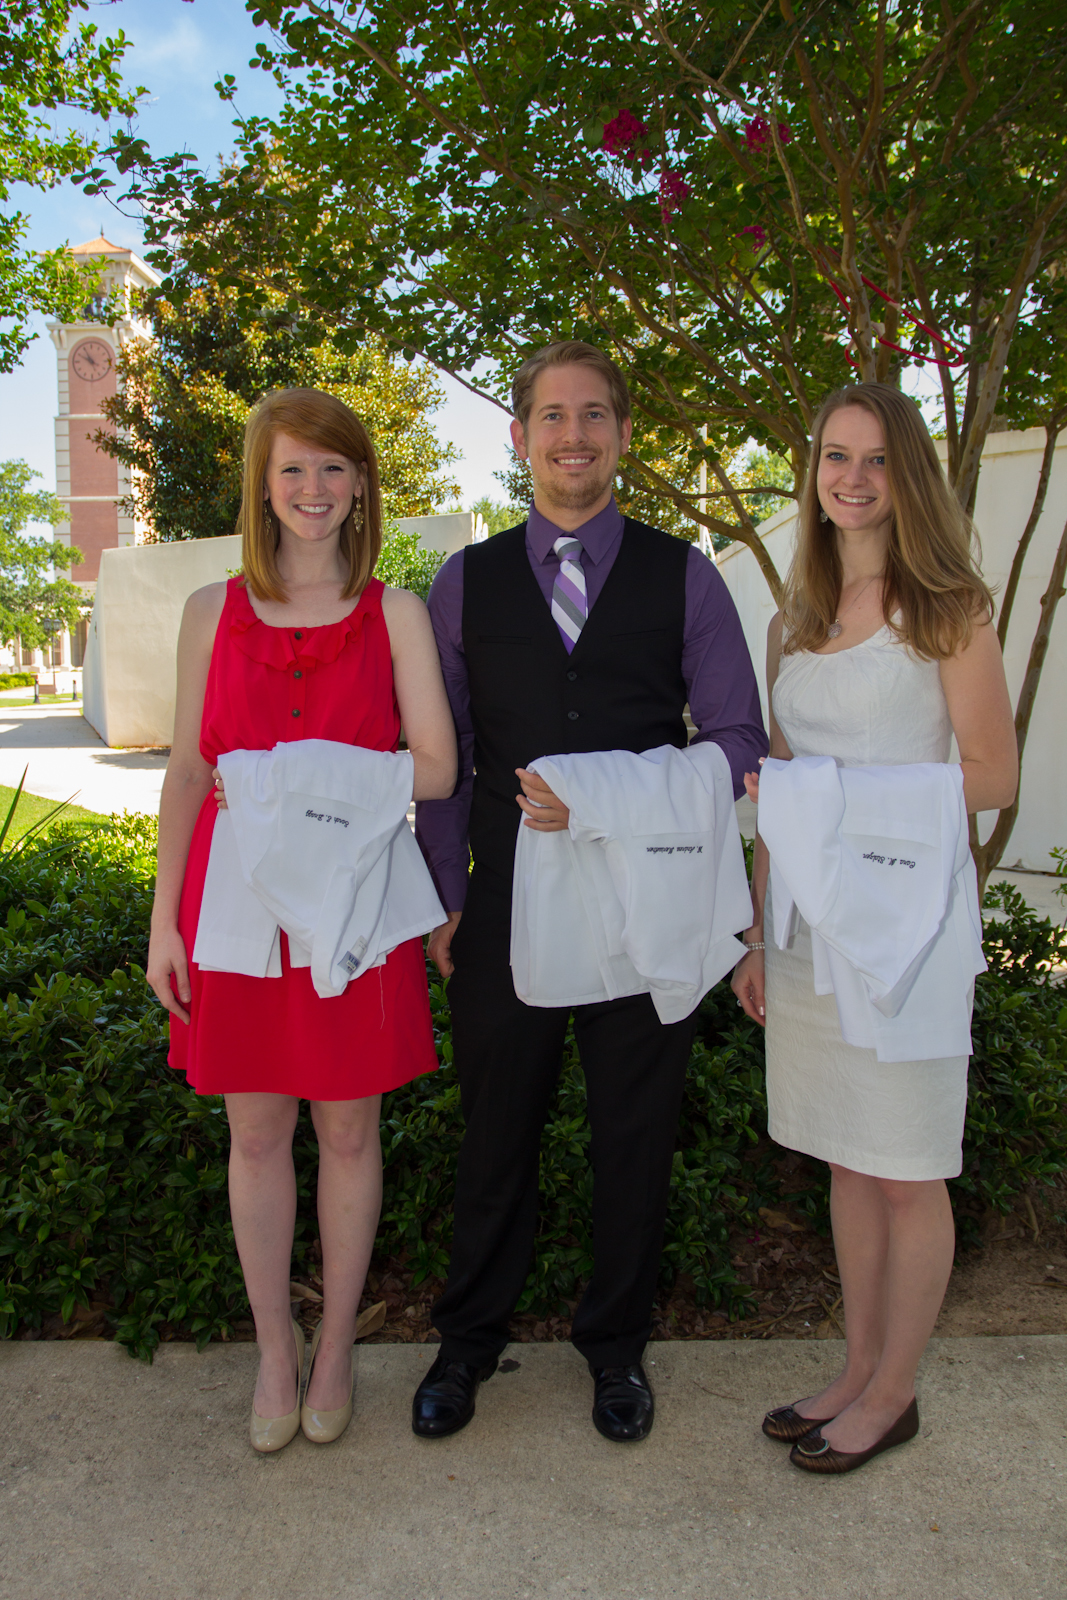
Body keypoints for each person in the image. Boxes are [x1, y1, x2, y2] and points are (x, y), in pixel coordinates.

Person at [413, 340, 767, 1443]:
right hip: (505, 900)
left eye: (594, 415)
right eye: (551, 416)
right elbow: (447, 753)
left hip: (641, 900)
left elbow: (738, 740)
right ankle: (467, 1341)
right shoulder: (462, 582)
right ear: (518, 436)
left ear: (620, 433)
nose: (573, 435)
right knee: (494, 1136)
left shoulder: (686, 575)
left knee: (632, 1133)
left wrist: (614, 797)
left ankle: (616, 1349)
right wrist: (441, 892)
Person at [146, 388, 457, 1453]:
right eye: (292, 470)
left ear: (361, 482)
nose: (313, 490)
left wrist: (291, 780)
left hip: (357, 899)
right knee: (257, 1130)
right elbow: (189, 770)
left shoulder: (395, 614)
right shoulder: (208, 611)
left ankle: (337, 1351)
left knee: (350, 1128)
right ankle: (275, 1348)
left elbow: (437, 764)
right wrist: (162, 924)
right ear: (261, 486)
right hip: (234, 906)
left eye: (332, 469)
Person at [731, 382, 1017, 1474]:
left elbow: (993, 775)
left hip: (905, 929)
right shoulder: (789, 620)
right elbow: (777, 794)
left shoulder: (948, 608)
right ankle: (853, 1369)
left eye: (875, 461)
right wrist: (757, 934)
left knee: (904, 1167)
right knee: (844, 1162)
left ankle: (894, 1394)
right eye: (832, 457)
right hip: (806, 933)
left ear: (909, 476)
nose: (849, 480)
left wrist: (846, 801)